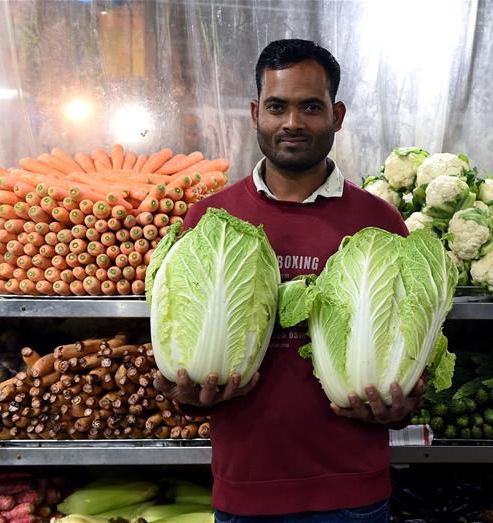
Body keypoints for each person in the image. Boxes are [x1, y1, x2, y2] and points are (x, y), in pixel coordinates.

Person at [155, 39, 421, 522]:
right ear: (256, 113)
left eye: (311, 107)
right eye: (277, 106)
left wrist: (402, 407)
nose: (292, 122)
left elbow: (409, 342)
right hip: (246, 491)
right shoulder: (209, 221)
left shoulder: (379, 222)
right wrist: (188, 398)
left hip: (353, 493)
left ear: (337, 116)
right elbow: (186, 354)